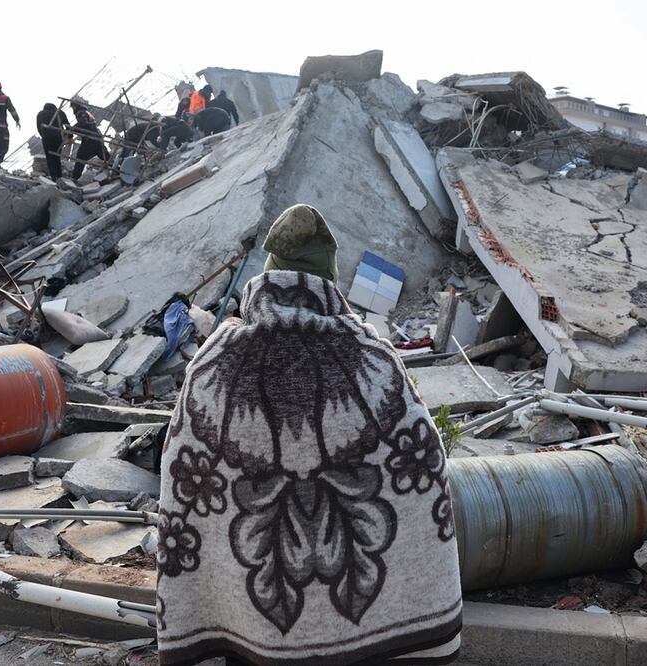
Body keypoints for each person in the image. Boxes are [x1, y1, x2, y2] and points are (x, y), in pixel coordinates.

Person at [155, 204, 463, 666]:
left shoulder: (212, 361)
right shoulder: (374, 355)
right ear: (329, 283)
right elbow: (424, 470)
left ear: (267, 275)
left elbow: (182, 482)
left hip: (254, 633)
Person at [69, 97, 110, 180]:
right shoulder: (86, 112)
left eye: (72, 107)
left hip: (90, 138)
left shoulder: (81, 113)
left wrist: (72, 129)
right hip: (96, 137)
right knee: (104, 155)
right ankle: (117, 167)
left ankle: (75, 177)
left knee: (81, 156)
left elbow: (82, 123)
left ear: (75, 106)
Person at [36, 102, 70, 181]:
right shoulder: (60, 113)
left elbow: (39, 127)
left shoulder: (40, 114)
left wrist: (43, 135)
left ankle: (54, 177)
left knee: (50, 157)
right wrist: (67, 136)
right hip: (59, 137)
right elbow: (68, 126)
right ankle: (59, 176)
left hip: (47, 137)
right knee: (57, 156)